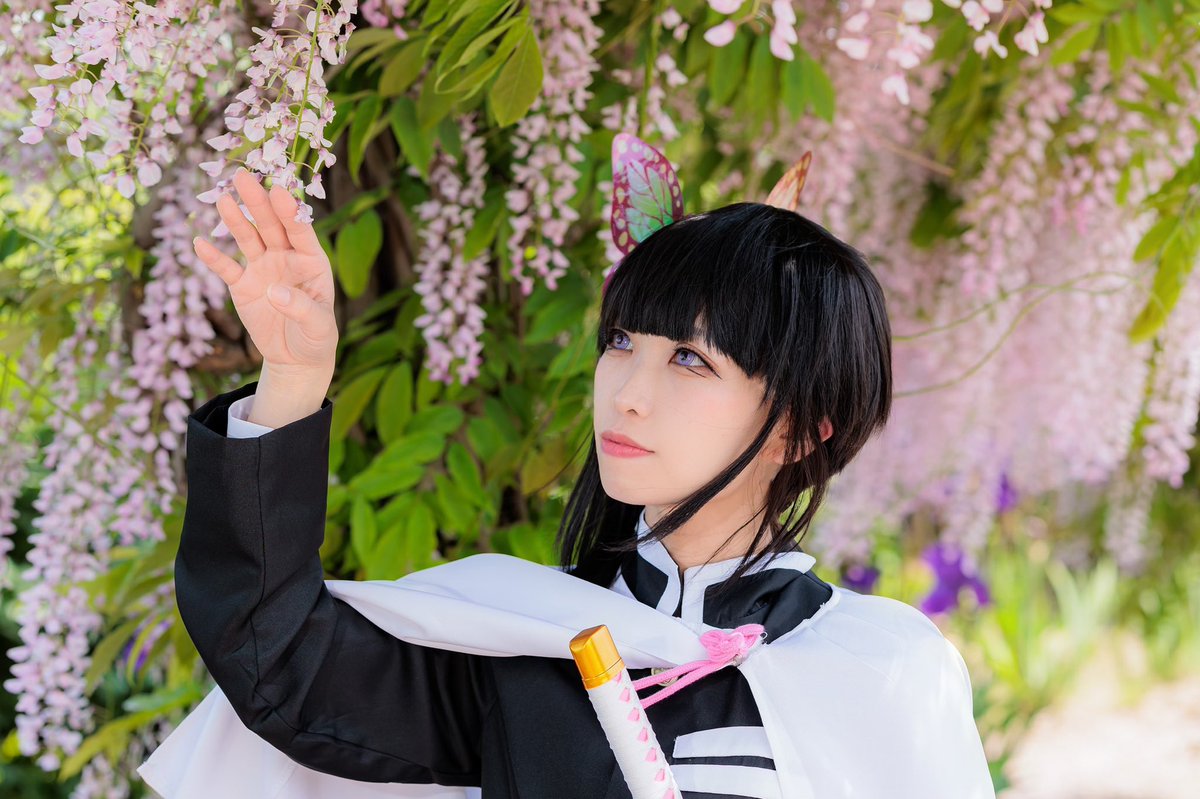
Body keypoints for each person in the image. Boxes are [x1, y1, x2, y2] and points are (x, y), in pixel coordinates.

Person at [138, 166, 995, 798]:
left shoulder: (885, 669)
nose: (627, 393)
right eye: (620, 342)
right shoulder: (527, 643)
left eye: (689, 359)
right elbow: (279, 657)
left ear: (803, 427)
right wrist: (292, 379)